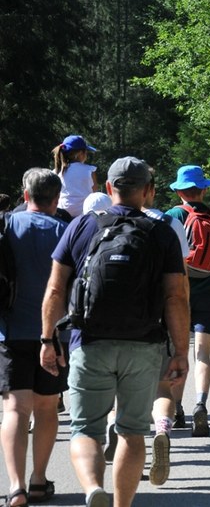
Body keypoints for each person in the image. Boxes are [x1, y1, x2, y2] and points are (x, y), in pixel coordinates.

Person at [40, 156, 189, 507]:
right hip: (144, 346)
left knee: (86, 429)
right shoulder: (162, 232)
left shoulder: (80, 227)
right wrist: (180, 351)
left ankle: (93, 488)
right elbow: (176, 296)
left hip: (89, 342)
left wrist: (48, 339)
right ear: (148, 192)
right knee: (132, 433)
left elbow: (55, 289)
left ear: (109, 189)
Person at [0, 169, 68, 506]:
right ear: (56, 199)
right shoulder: (65, 231)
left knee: (14, 409)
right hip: (52, 334)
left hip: (10, 330)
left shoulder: (7, 226)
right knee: (46, 408)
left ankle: (15, 487)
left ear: (25, 195)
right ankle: (38, 480)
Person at [165, 165, 210, 436]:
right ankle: (200, 405)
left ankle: (178, 409)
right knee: (202, 354)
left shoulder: (172, 216)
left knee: (178, 353)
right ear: (204, 190)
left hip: (179, 295)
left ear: (179, 191)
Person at [142, 168, 188, 486]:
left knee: (121, 392)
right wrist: (181, 340)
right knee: (162, 388)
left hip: (112, 324)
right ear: (151, 190)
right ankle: (162, 431)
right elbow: (179, 286)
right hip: (157, 321)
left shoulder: (100, 222)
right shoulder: (169, 224)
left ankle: (116, 438)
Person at [52, 135, 99, 218]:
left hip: (61, 215)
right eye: (86, 152)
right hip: (84, 215)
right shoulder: (90, 170)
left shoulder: (56, 172)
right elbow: (95, 193)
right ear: (80, 153)